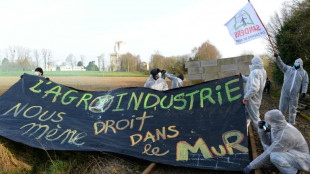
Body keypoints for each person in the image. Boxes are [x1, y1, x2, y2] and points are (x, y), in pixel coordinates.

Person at [243, 109, 310, 174]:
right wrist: (262, 129)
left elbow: (269, 151)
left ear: (274, 122)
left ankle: (295, 172)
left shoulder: (285, 135)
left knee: (274, 156)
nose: (267, 123)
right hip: (291, 153)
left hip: (301, 159)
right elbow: (267, 141)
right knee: (271, 151)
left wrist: (251, 166)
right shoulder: (278, 126)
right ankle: (277, 165)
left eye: (268, 121)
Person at [274, 54, 308, 125]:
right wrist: (277, 58)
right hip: (285, 92)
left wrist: (304, 92)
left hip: (295, 94)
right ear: (294, 63)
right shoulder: (288, 69)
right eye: (296, 62)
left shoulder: (304, 73)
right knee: (282, 107)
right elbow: (281, 65)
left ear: (301, 64)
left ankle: (291, 123)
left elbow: (305, 83)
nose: (297, 64)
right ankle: (281, 122)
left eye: (298, 63)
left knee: (293, 109)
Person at [238, 55, 267, 131]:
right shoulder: (262, 71)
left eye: (252, 63)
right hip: (255, 99)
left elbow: (254, 88)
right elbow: (250, 80)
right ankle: (245, 135)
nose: (251, 64)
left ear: (255, 63)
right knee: (246, 118)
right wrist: (242, 77)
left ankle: (266, 134)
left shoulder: (255, 72)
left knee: (256, 120)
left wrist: (245, 97)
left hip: (251, 100)